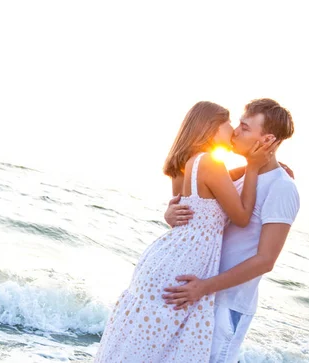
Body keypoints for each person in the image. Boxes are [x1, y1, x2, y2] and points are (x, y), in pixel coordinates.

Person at [94, 101, 275, 362]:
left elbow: (195, 199)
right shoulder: (211, 164)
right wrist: (256, 168)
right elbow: (243, 217)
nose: (234, 130)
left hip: (168, 256)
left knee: (146, 340)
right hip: (185, 262)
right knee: (165, 345)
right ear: (212, 129)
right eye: (228, 124)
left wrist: (249, 170)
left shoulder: (186, 163)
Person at [162, 98, 300, 363]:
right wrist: (172, 214)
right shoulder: (242, 177)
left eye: (245, 128)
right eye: (237, 124)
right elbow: (202, 218)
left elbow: (265, 261)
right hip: (199, 295)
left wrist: (205, 287)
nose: (236, 131)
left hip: (227, 305)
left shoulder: (282, 188)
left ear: (268, 139)